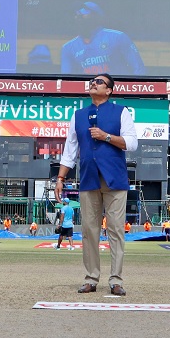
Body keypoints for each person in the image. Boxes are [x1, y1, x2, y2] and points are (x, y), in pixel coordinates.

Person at [54, 73, 138, 296]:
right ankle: (91, 277)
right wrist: (60, 179)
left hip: (115, 179)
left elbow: (131, 143)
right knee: (89, 231)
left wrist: (106, 136)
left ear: (109, 90)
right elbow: (70, 151)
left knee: (116, 230)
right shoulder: (78, 115)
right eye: (92, 81)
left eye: (99, 82)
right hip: (89, 178)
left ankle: (116, 280)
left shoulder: (121, 112)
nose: (94, 83)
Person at [61, 2, 145, 76]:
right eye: (76, 13)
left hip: (117, 90)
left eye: (84, 11)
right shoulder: (68, 47)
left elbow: (138, 69)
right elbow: (66, 80)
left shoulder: (118, 37)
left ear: (96, 16)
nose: (79, 15)